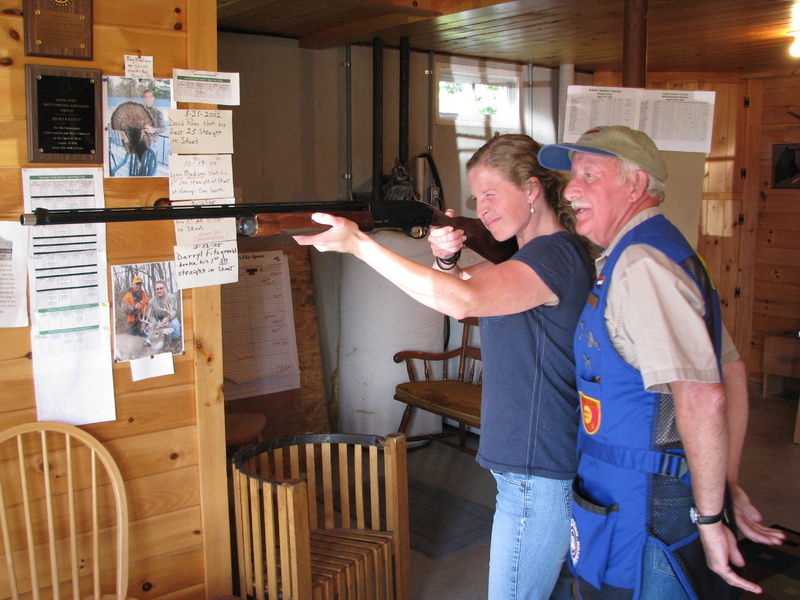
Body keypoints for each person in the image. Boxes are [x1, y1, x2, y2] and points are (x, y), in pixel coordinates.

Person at [294, 134, 595, 600]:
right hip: (526, 462)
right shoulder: (532, 257)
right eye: (478, 197)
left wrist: (358, 246)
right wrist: (447, 259)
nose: (483, 207)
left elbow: (460, 301)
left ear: (533, 190)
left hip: (539, 465)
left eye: (492, 194)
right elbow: (453, 290)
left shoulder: (555, 255)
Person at [537, 126, 784, 600]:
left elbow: (702, 393)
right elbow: (728, 368)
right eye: (573, 175)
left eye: (590, 174)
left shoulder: (642, 266)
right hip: (621, 497)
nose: (570, 188)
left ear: (636, 184)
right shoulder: (646, 253)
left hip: (647, 510)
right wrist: (725, 483)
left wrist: (711, 520)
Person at [148, 280, 182, 351]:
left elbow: (174, 310)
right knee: (149, 328)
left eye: (161, 288)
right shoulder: (151, 301)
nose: (159, 290)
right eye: (157, 289)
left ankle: (175, 340)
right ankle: (158, 342)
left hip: (170, 320)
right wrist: (154, 323)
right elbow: (150, 315)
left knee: (175, 324)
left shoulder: (171, 297)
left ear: (165, 288)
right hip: (158, 323)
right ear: (155, 290)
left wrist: (168, 319)